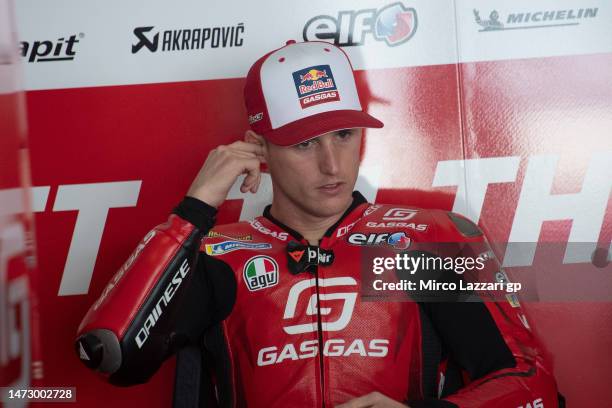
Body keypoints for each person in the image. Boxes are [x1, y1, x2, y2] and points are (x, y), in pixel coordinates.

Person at [75, 40, 560, 407]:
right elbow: (109, 354)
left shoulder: (421, 239)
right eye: (304, 143)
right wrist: (194, 211)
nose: (333, 166)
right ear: (258, 147)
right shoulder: (216, 255)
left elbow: (532, 385)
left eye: (345, 135)